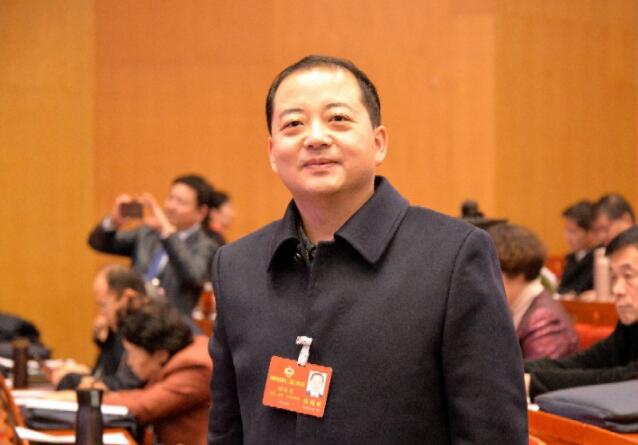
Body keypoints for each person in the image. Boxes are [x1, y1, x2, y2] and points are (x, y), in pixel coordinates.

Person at [209, 55, 527, 444]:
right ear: (273, 153)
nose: (315, 137)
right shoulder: (236, 265)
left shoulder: (453, 256)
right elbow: (226, 428)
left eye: (338, 119)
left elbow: (492, 432)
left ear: (378, 143)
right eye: (294, 124)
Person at [525, 226, 638, 400]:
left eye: (628, 275)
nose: (617, 289)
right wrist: (513, 369)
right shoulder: (629, 326)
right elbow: (583, 363)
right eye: (614, 277)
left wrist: (532, 383)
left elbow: (625, 380)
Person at [88, 174, 219, 317]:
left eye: (181, 202)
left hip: (172, 323)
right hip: (134, 318)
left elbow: (194, 276)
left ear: (201, 212)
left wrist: (167, 233)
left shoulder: (206, 245)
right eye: (170, 198)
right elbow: (99, 244)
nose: (170, 206)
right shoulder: (148, 233)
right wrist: (114, 221)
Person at [102, 297, 211, 445]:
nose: (129, 362)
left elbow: (144, 407)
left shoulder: (195, 366)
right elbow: (146, 395)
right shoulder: (180, 356)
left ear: (160, 354)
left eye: (132, 354)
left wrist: (88, 400)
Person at [488, 224, 578, 360]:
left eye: (492, 273)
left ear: (519, 274)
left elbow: (535, 371)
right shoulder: (517, 306)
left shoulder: (545, 320)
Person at [52, 265, 145, 391]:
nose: (101, 315)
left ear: (126, 298)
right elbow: (105, 374)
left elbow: (124, 386)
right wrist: (106, 343)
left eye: (104, 306)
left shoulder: (146, 331)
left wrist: (72, 379)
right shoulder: (118, 331)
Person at [558, 201, 596, 295]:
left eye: (573, 231)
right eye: (566, 230)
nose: (568, 238)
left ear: (591, 231)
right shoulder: (570, 259)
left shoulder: (598, 260)